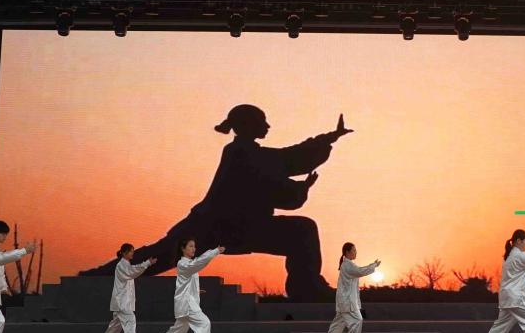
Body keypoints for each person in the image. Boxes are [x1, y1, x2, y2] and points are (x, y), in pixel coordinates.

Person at [81, 105, 354, 302]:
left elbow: (286, 161)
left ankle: (306, 287)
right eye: (262, 121)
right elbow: (285, 163)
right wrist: (301, 186)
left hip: (240, 226)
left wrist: (328, 139)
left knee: (301, 230)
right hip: (217, 226)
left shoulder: (250, 153)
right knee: (160, 255)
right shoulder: (240, 153)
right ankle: (102, 275)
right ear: (247, 125)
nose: (268, 126)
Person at [149, 238, 223, 333]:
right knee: (204, 323)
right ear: (183, 249)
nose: (194, 249)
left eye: (194, 246)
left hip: (187, 301)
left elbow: (186, 283)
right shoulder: (183, 264)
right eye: (190, 246)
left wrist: (196, 291)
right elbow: (199, 263)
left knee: (177, 331)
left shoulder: (188, 264)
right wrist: (214, 251)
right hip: (187, 303)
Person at [99, 243, 156, 333]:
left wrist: (147, 263)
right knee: (130, 319)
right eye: (131, 251)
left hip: (124, 300)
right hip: (121, 300)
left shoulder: (126, 265)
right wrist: (147, 263)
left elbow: (132, 270)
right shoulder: (121, 265)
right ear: (125, 253)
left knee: (116, 325)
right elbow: (132, 272)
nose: (132, 253)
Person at [323, 242, 380, 333]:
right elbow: (360, 271)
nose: (355, 252)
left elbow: (359, 270)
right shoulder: (348, 265)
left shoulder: (348, 264)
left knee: (339, 323)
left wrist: (372, 265)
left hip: (344, 300)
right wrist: (373, 265)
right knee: (357, 319)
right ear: (347, 252)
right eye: (354, 250)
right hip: (347, 301)